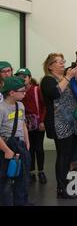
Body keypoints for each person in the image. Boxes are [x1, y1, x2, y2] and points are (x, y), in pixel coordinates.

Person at [40, 53, 77, 199]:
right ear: (50, 66)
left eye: (63, 61)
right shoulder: (47, 80)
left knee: (68, 154)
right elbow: (55, 93)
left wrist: (76, 78)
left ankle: (64, 181)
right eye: (59, 62)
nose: (63, 63)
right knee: (63, 155)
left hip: (70, 121)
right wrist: (68, 77)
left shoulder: (65, 79)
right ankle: (61, 189)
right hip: (58, 123)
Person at [0, 76, 32, 206]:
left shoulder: (21, 105)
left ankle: (21, 202)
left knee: (23, 176)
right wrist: (6, 150)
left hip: (20, 144)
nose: (25, 93)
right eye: (22, 91)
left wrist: (27, 141)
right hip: (7, 145)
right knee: (6, 178)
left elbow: (22, 124)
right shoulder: (2, 109)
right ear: (12, 92)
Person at [15, 68, 47, 184]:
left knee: (39, 148)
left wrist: (43, 121)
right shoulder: (17, 92)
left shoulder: (36, 90)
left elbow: (44, 106)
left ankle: (41, 171)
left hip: (38, 124)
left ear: (29, 77)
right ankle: (31, 171)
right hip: (24, 124)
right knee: (29, 148)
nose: (22, 78)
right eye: (19, 76)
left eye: (24, 76)